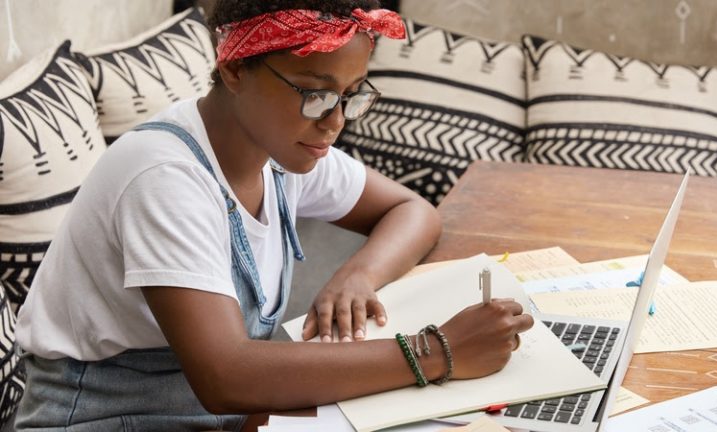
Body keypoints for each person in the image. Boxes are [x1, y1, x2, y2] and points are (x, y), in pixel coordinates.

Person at [13, 0, 534, 430]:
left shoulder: (282, 150)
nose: (335, 122)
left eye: (351, 96)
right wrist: (436, 351)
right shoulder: (164, 177)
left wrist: (357, 275)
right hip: (106, 418)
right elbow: (227, 375)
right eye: (315, 94)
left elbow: (412, 210)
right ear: (235, 69)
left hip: (222, 415)